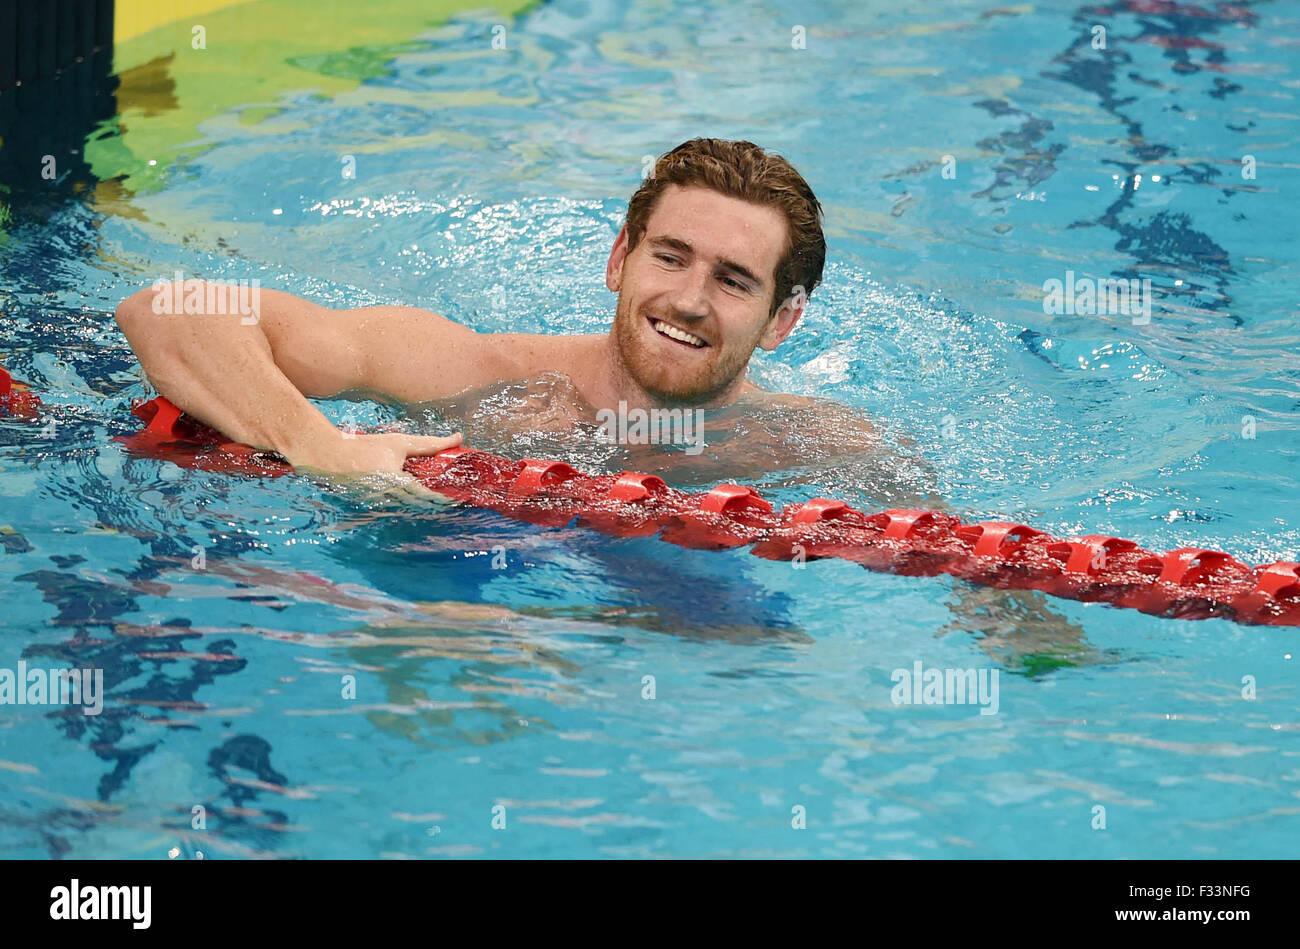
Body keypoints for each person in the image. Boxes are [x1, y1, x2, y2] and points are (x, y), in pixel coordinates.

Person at [114, 137, 881, 480]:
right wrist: (314, 442)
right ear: (620, 260)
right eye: (670, 256)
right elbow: (168, 307)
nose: (688, 299)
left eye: (734, 280)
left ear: (783, 321)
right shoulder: (480, 372)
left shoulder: (819, 444)